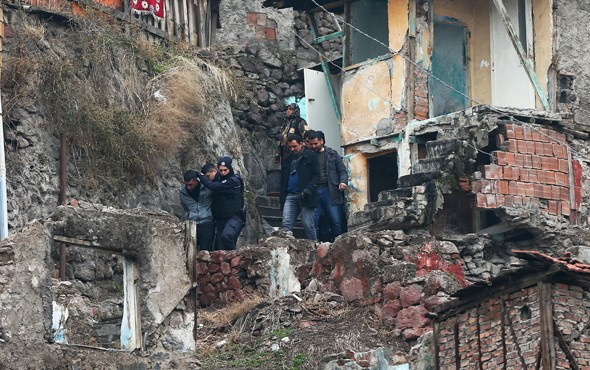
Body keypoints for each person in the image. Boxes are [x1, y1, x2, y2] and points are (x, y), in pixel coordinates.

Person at [306, 130, 348, 241]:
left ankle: (338, 244)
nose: (314, 146)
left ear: (322, 141)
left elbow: (342, 170)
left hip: (330, 191)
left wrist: (343, 182)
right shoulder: (308, 155)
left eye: (316, 143)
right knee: (312, 222)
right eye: (311, 144)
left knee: (335, 221)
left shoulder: (332, 154)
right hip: (313, 192)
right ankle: (313, 245)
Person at [198, 157, 245, 250]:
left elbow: (213, 186)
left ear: (230, 169)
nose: (223, 173)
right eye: (221, 170)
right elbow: (213, 179)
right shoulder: (219, 179)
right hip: (220, 220)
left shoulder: (234, 181)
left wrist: (200, 176)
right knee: (218, 249)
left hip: (234, 217)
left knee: (227, 236)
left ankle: (235, 257)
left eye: (225, 170)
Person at [280, 134, 320, 240]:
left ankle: (314, 247)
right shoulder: (287, 159)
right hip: (290, 195)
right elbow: (284, 178)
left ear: (301, 144)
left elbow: (316, 175)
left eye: (294, 146)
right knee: (286, 226)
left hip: (305, 195)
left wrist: (309, 189)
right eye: (290, 147)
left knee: (308, 225)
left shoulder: (311, 156)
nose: (292, 149)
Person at [179, 169, 215, 251]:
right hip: (192, 224)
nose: (188, 187)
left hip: (207, 222)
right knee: (189, 250)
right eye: (186, 185)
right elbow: (185, 207)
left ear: (196, 181)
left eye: (191, 184)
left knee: (205, 251)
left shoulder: (206, 188)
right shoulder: (182, 192)